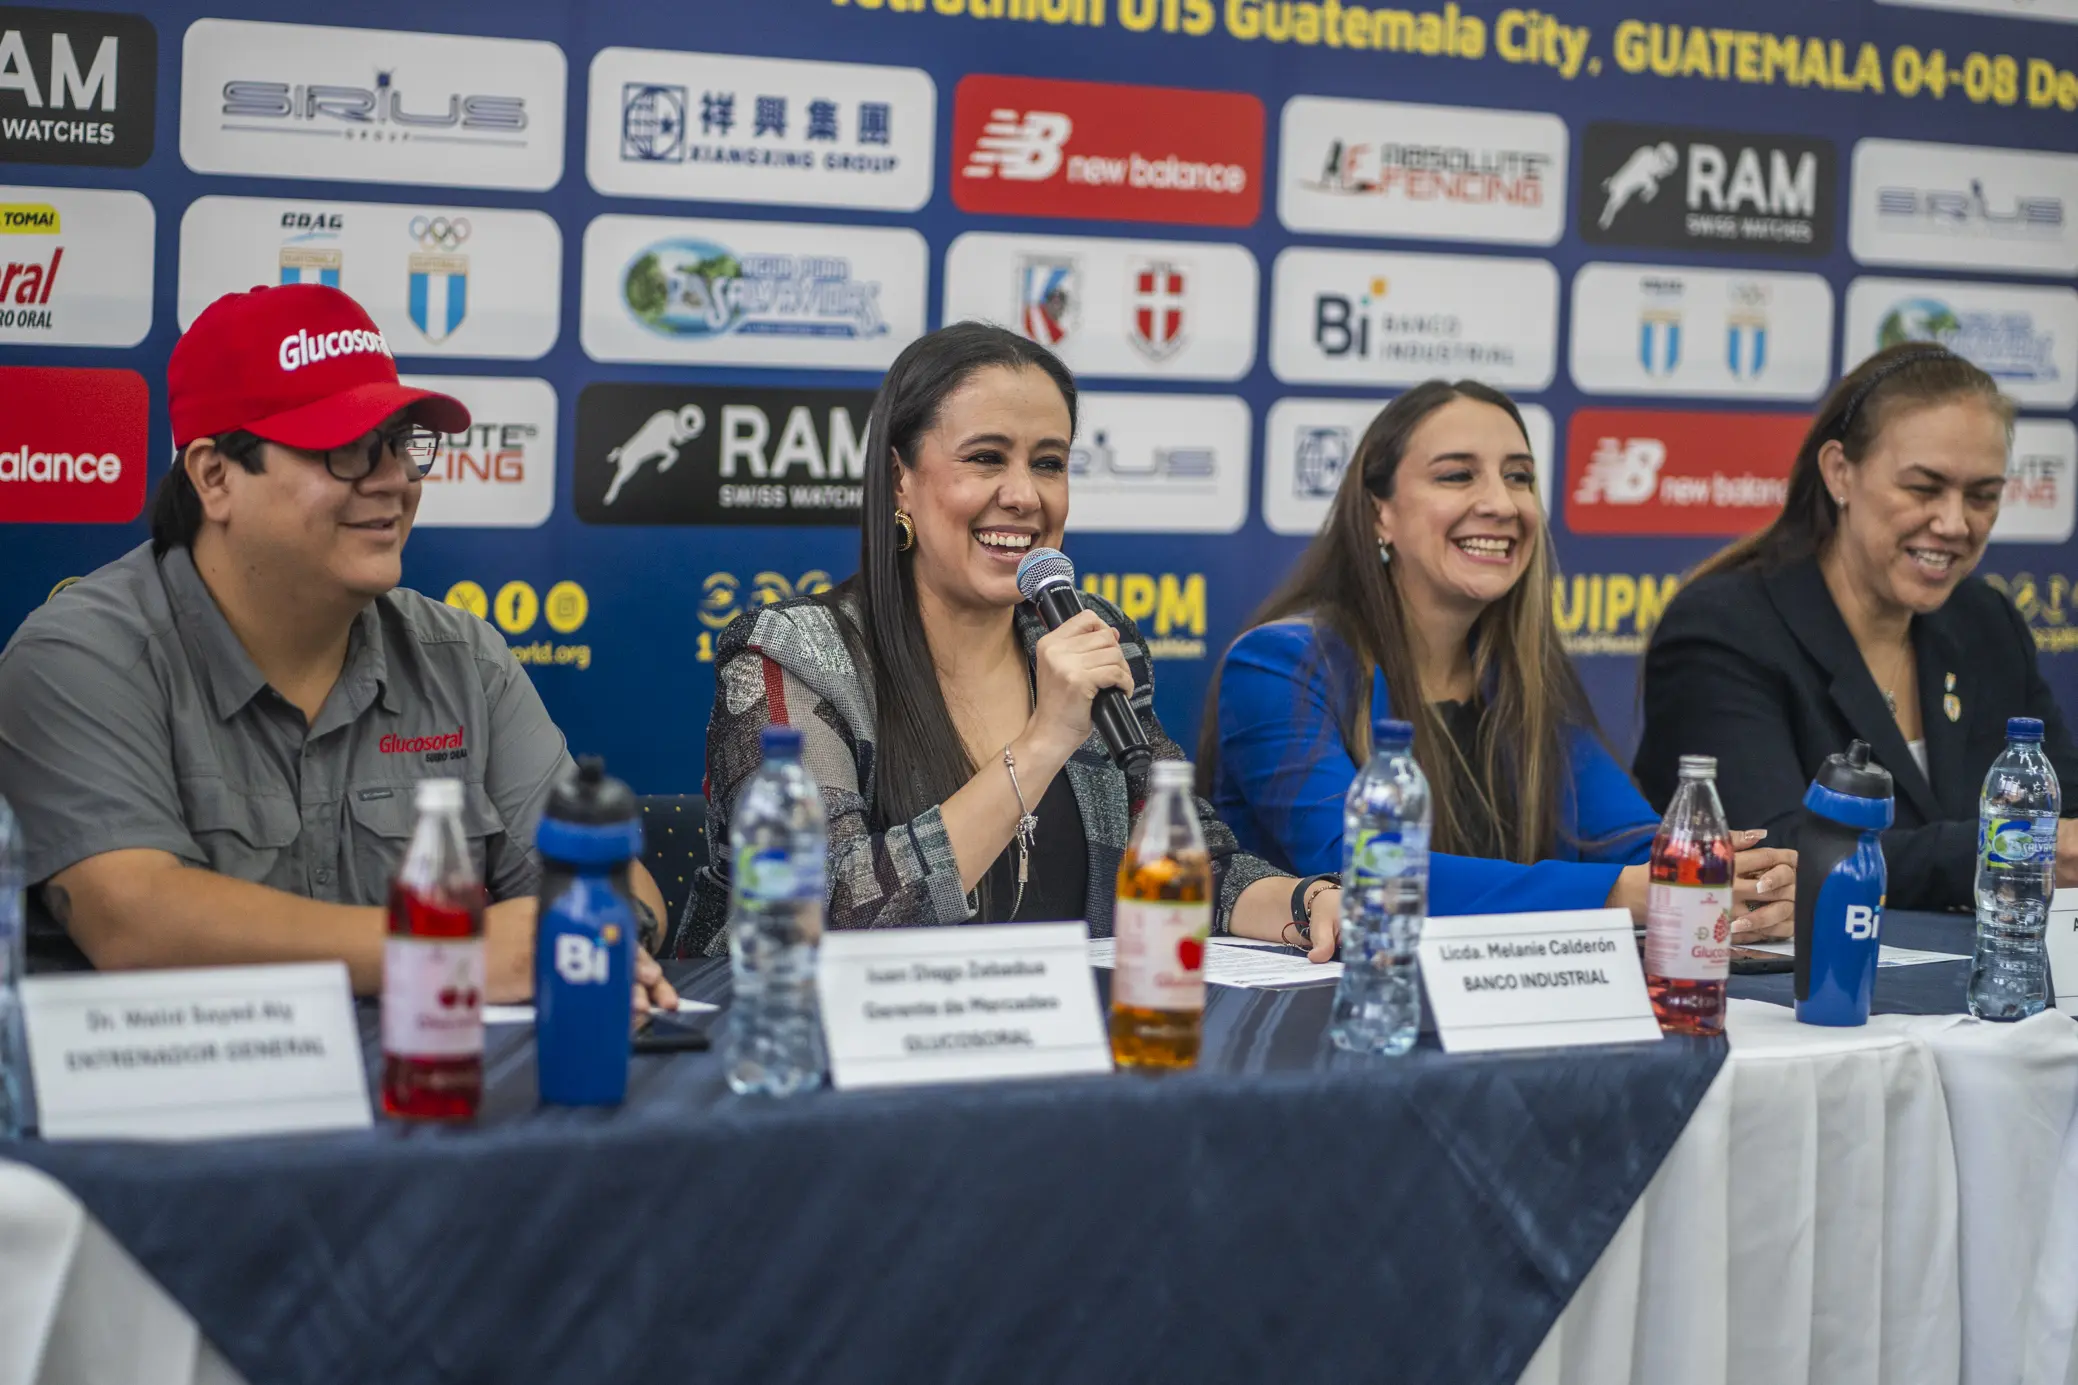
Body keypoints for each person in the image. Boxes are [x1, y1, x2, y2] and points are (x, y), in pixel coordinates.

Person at [0, 283, 676, 1009]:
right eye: (345, 450)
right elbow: (135, 920)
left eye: (400, 446)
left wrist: (599, 930)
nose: (393, 482)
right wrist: (446, 953)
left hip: (437, 1099)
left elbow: (624, 891)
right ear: (214, 476)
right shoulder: (80, 656)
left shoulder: (463, 658)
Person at [677, 322, 1345, 959]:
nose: (1025, 494)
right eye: (987, 458)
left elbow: (1194, 862)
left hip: (1059, 1050)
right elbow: (821, 910)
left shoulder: (1090, 637)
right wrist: (1041, 742)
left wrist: (1304, 900)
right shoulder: (794, 657)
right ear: (898, 479)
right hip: (824, 1051)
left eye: (1049, 463)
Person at [1208, 380, 1795, 944]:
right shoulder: (1279, 665)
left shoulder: (1523, 679)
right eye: (1457, 475)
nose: (1500, 503)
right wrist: (1635, 892)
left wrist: (1737, 883)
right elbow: (1362, 871)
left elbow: (1634, 845)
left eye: (1519, 477)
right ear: (1377, 513)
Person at [1637, 343, 2078, 912]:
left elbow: (2065, 807)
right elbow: (1774, 861)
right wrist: (2009, 850)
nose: (1953, 523)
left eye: (1982, 496)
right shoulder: (1723, 628)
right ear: (1840, 473)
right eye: (1924, 488)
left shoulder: (1985, 620)